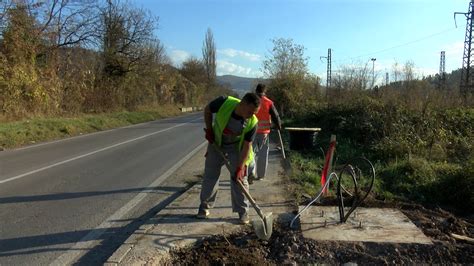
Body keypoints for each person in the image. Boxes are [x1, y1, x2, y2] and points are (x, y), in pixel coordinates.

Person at [196, 93, 260, 224]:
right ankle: (204, 207)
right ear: (243, 104)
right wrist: (209, 130)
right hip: (217, 143)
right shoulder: (224, 102)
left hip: (237, 148)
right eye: (250, 111)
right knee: (210, 174)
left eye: (254, 112)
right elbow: (207, 109)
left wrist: (240, 167)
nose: (252, 115)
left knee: (240, 179)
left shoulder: (253, 122)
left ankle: (243, 212)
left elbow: (247, 146)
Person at [248, 83, 281, 183]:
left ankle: (250, 173)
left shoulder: (251, 100)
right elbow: (276, 116)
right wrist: (278, 126)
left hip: (250, 133)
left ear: (256, 90)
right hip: (264, 133)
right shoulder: (268, 102)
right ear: (264, 91)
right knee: (263, 154)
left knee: (250, 154)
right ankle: (260, 176)